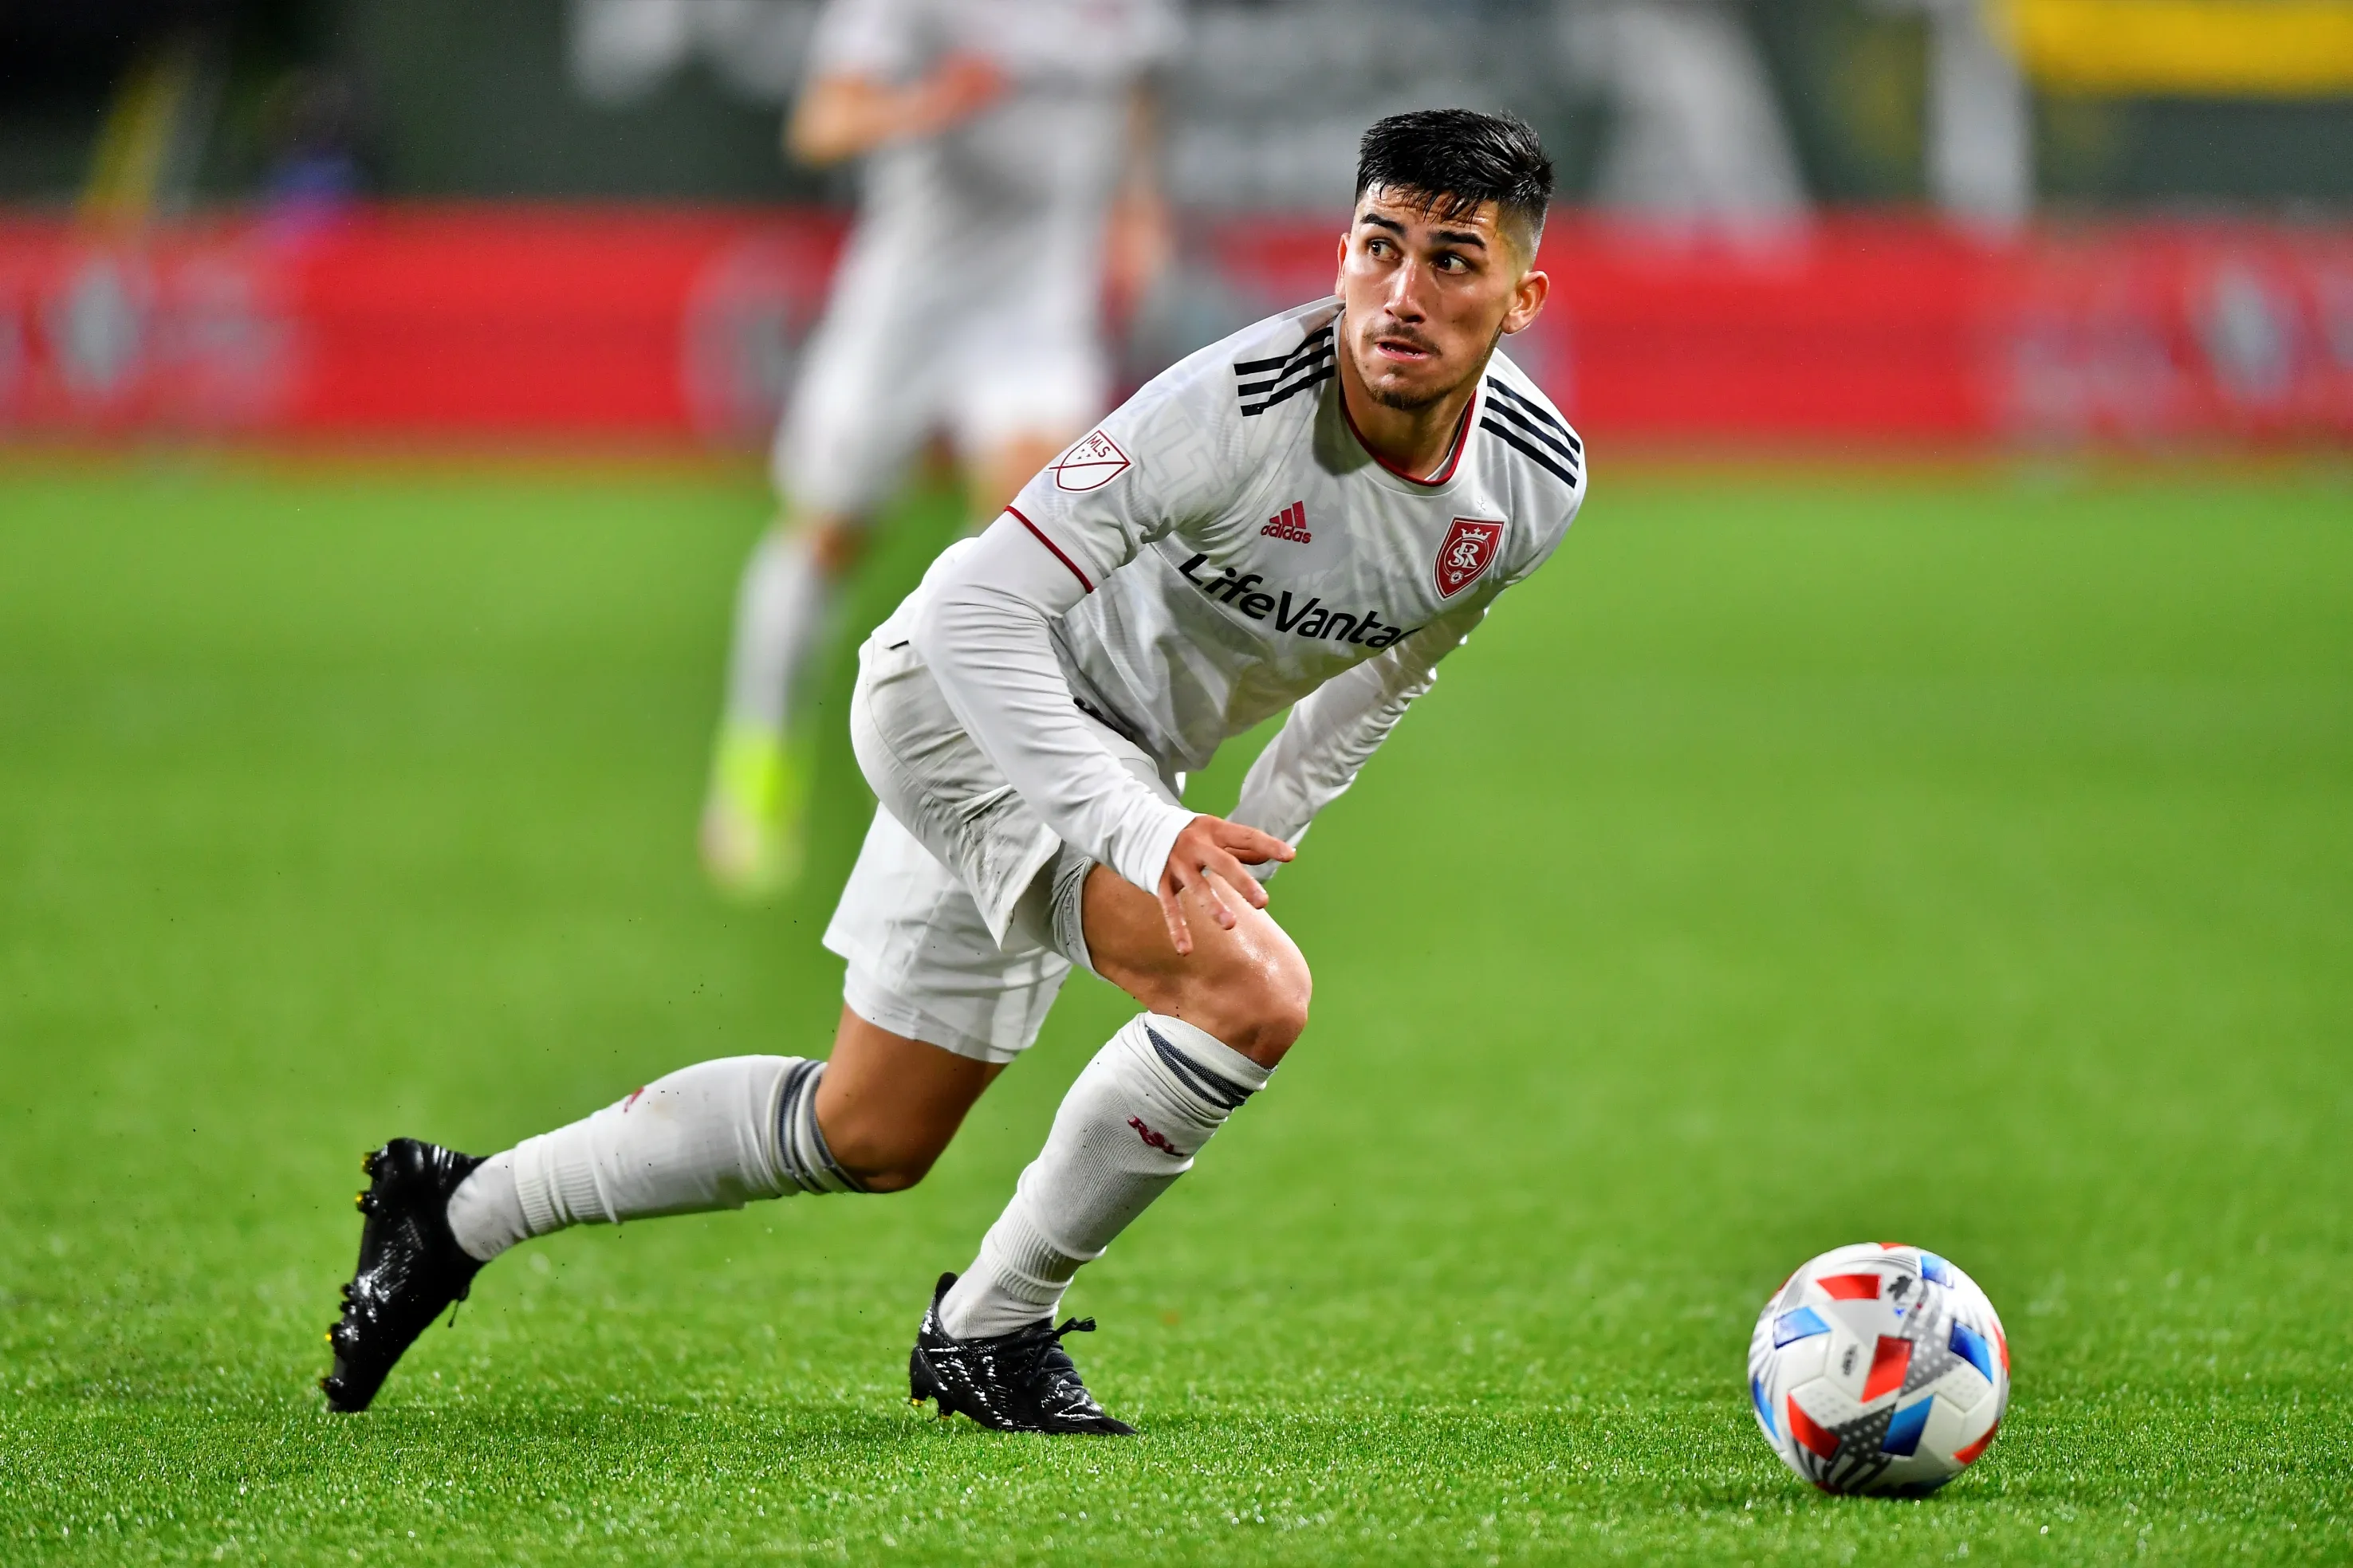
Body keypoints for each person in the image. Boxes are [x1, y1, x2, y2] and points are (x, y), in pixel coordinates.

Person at [325, 109, 1586, 1432]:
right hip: (959, 703)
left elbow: (1388, 672)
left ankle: (455, 1208)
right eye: (1379, 247)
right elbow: (976, 610)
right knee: (1250, 995)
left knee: (868, 1131)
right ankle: (990, 1326)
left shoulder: (1533, 484)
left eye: (1451, 260)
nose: (1401, 293)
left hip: (1113, 758)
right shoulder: (1231, 409)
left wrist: (1255, 836)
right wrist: (1148, 840)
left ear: (1521, 297)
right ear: (1340, 253)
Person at [703, 0, 1181, 898]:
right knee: (829, 534)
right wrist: (927, 103)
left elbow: (1136, 91)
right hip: (911, 300)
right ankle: (756, 760)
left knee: (1031, 540)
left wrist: (1137, 211)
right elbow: (822, 124)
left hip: (1038, 301)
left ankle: (967, 801)